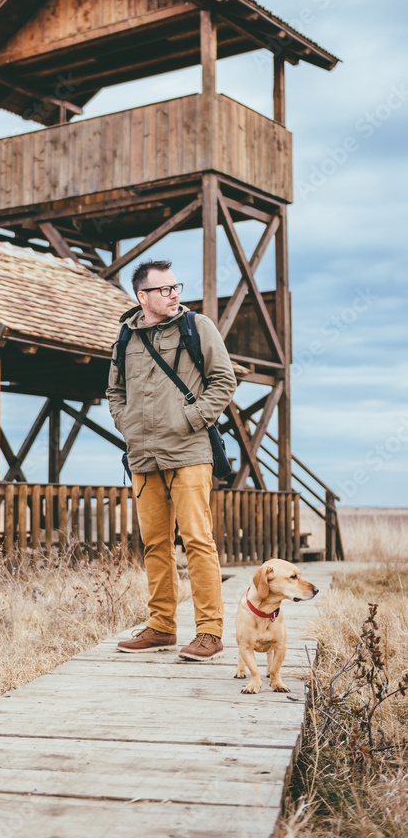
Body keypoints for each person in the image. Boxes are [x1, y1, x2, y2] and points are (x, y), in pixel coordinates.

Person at [107, 258, 237, 660]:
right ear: (141, 296)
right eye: (164, 289)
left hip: (188, 453)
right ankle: (161, 627)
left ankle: (210, 633)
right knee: (155, 545)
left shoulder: (197, 327)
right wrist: (128, 427)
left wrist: (192, 418)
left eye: (175, 286)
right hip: (143, 457)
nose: (174, 293)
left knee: (198, 541)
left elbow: (224, 380)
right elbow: (115, 392)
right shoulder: (125, 338)